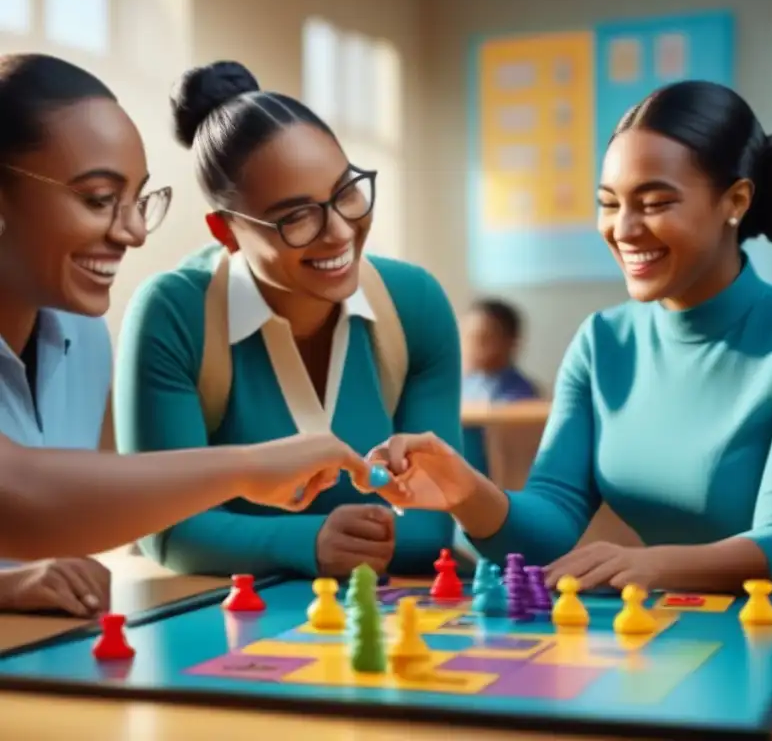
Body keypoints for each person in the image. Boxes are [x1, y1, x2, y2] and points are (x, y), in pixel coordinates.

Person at [367, 81, 772, 593]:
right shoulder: (603, 342)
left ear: (735, 200)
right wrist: (464, 490)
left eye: (654, 202)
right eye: (609, 204)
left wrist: (651, 567)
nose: (623, 229)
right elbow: (551, 521)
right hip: (688, 625)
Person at [0, 54, 372, 613]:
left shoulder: (82, 335)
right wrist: (247, 468)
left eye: (138, 201)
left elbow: (84, 507)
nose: (132, 233)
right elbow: (20, 498)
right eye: (99, 199)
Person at [114, 61, 462, 580]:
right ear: (225, 231)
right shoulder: (173, 315)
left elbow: (434, 519)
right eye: (296, 216)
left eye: (347, 192)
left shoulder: (414, 305)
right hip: (222, 625)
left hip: (384, 615)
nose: (340, 232)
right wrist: (313, 540)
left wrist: (251, 538)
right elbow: (164, 525)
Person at [461, 298, 539, 403]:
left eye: (482, 339)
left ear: (510, 342)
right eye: (467, 337)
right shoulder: (460, 386)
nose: (470, 347)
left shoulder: (520, 394)